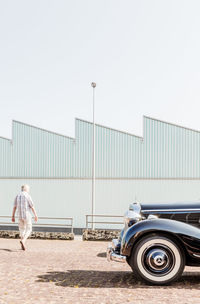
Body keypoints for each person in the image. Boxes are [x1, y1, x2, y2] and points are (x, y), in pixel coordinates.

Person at [11, 185, 38, 250]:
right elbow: (32, 206)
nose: (29, 190)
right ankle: (23, 240)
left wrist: (13, 216)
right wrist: (35, 215)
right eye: (28, 189)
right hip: (27, 215)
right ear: (26, 189)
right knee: (29, 229)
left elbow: (14, 207)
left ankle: (22, 244)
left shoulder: (17, 196)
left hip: (19, 215)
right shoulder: (27, 196)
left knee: (21, 229)